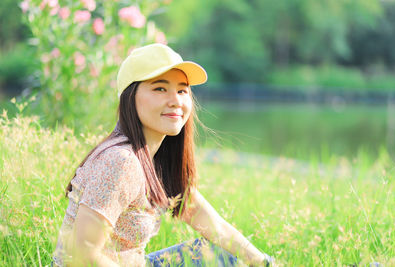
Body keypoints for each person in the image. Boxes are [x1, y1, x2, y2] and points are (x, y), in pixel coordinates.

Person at [52, 43, 274, 267]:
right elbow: (81, 253)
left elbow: (216, 228)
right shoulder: (121, 161)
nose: (176, 101)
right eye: (160, 89)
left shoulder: (158, 163)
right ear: (130, 97)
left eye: (182, 90)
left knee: (215, 253)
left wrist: (266, 263)